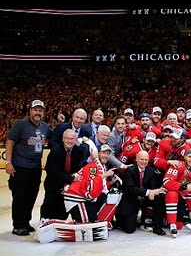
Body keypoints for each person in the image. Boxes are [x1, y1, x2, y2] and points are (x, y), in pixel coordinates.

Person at [6, 99, 53, 236]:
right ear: (30, 111)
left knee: (32, 196)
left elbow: (55, 137)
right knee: (20, 196)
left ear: (43, 112)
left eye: (40, 110)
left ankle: (25, 222)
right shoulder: (21, 125)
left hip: (35, 168)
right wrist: (9, 162)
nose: (38, 112)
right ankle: (18, 225)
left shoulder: (45, 127)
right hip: (20, 167)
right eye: (35, 110)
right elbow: (10, 142)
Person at [62, 144, 116, 224]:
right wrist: (104, 176)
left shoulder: (101, 166)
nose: (106, 156)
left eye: (108, 154)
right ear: (98, 154)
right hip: (75, 197)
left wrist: (109, 183)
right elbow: (89, 186)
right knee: (88, 223)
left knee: (93, 218)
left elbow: (99, 186)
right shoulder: (93, 167)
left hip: (83, 196)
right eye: (104, 153)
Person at [116, 151, 166, 235]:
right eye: (142, 159)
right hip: (131, 199)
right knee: (130, 229)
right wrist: (149, 192)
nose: (144, 162)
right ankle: (120, 220)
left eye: (146, 160)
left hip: (145, 198)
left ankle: (157, 226)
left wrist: (153, 193)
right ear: (136, 159)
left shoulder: (151, 170)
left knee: (158, 198)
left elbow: (152, 186)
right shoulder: (129, 170)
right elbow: (132, 189)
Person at [40, 129, 85, 221]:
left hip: (68, 186)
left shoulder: (79, 151)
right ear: (63, 139)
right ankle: (44, 224)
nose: (69, 141)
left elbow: (79, 168)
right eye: (67, 138)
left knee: (63, 209)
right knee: (49, 205)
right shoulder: (55, 150)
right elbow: (52, 170)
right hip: (54, 183)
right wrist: (71, 179)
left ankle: (59, 225)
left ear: (75, 140)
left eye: (72, 139)